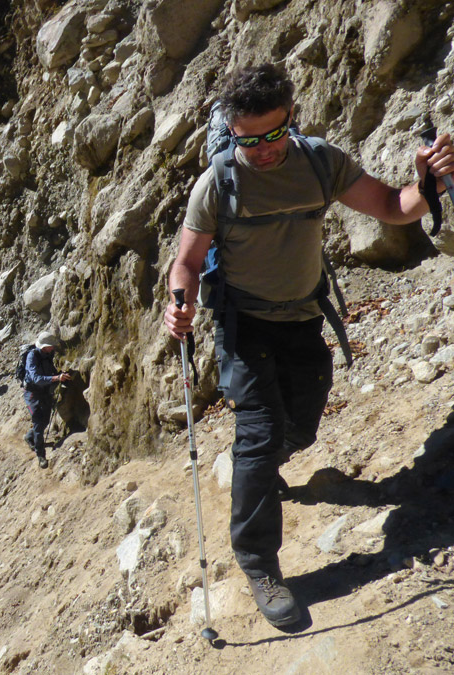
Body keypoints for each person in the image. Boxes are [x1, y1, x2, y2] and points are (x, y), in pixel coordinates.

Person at [163, 63, 453, 628]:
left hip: (301, 316)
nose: (264, 149)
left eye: (274, 134)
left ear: (290, 119)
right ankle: (258, 561)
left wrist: (430, 184)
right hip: (242, 323)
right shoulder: (218, 181)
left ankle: (261, 467)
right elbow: (188, 260)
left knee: (301, 426)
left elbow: (394, 208)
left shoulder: (321, 161)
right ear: (232, 131)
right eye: (249, 139)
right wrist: (180, 301)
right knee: (260, 430)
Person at [23, 331, 72, 469]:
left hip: (44, 391)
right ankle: (40, 455)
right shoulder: (32, 356)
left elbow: (50, 371)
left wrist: (60, 375)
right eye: (51, 346)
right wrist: (57, 378)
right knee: (39, 423)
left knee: (44, 420)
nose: (54, 348)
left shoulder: (48, 355)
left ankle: (29, 436)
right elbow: (36, 378)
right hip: (32, 393)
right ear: (44, 346)